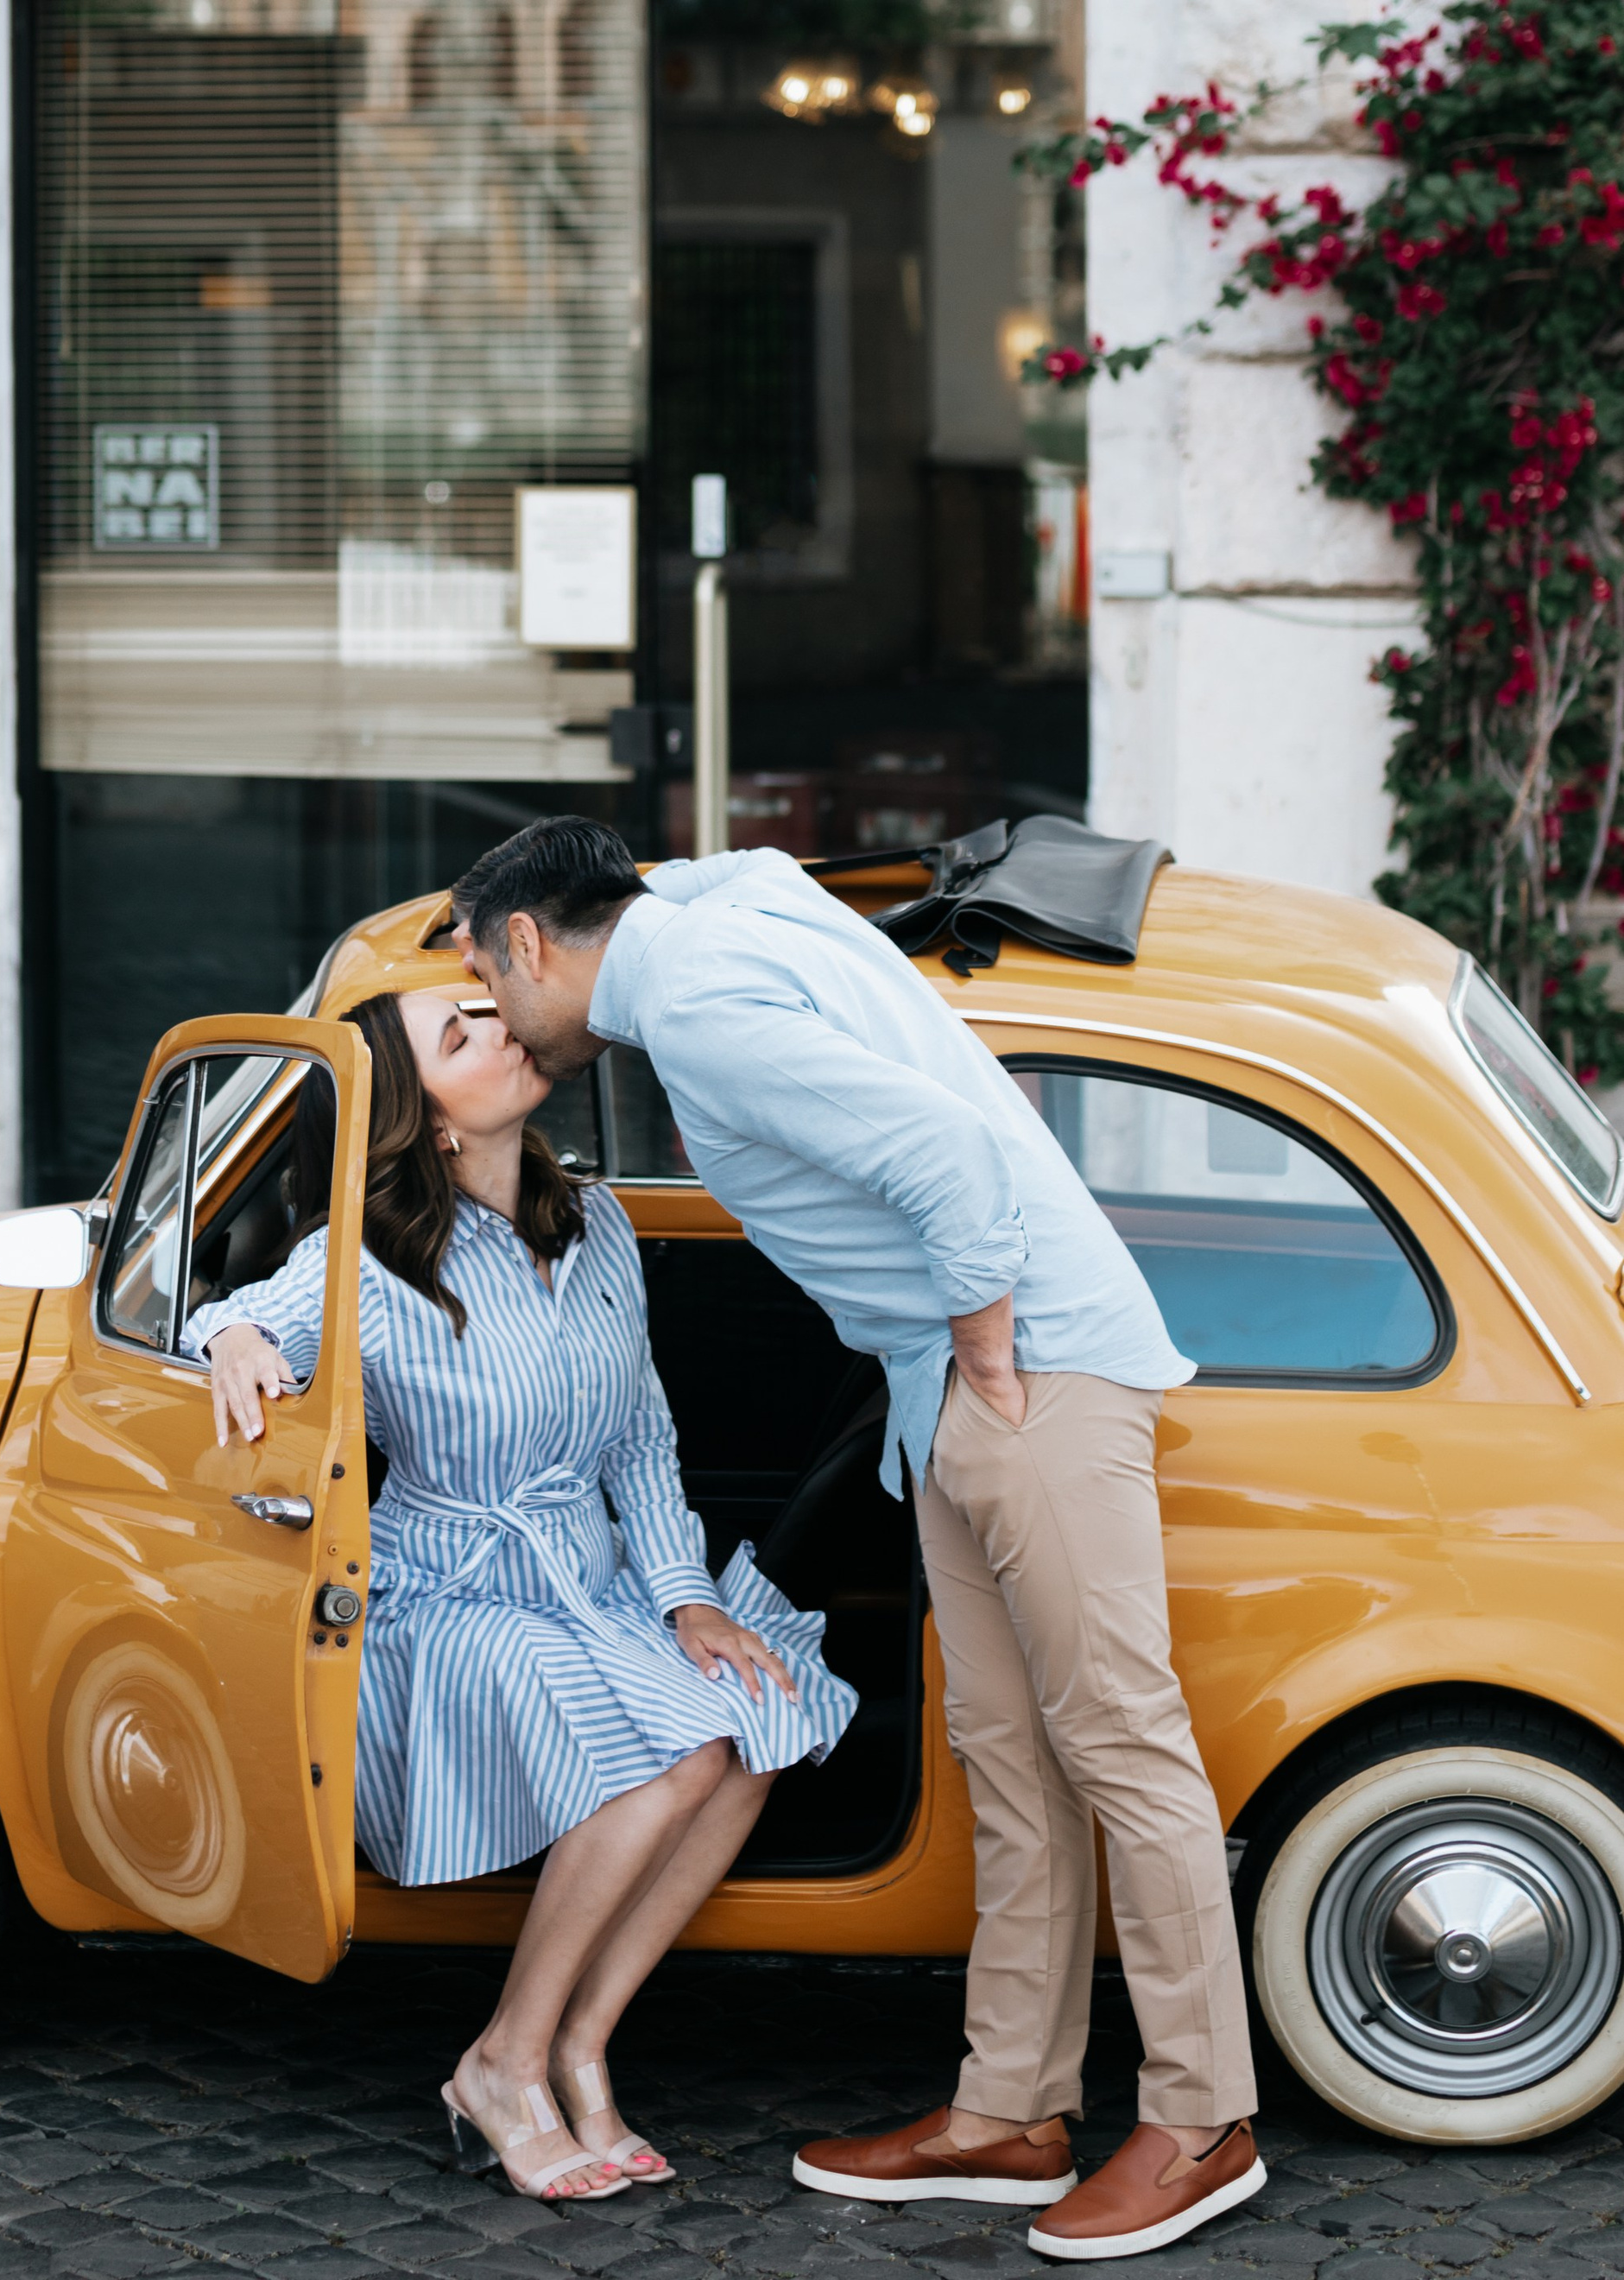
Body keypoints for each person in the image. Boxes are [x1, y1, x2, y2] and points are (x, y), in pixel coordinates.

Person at [451, 817, 1265, 2267]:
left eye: (482, 976)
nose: (492, 1019)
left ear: (529, 940)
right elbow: (742, 859)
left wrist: (987, 1350)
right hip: (951, 1384)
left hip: (1028, 1368)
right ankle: (1011, 2107)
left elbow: (950, 1154)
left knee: (1121, 1744)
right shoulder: (717, 918)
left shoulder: (692, 1000)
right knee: (1010, 1757)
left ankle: (1202, 2123)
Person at [183, 983, 856, 2207]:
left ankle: (580, 2045)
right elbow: (228, 1315)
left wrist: (685, 1598)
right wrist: (231, 1338)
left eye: (496, 1011)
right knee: (677, 1752)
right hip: (443, 1600)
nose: (504, 1029)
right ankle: (501, 2059)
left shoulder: (592, 1225)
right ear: (430, 1120)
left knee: (752, 1715)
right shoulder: (362, 1253)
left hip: (590, 1580)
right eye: (464, 1032)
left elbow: (641, 1439)